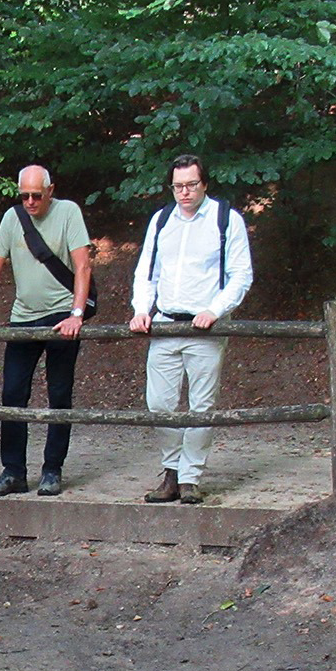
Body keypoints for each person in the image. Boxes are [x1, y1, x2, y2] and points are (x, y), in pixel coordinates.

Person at [0, 165, 89, 497]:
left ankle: (52, 470)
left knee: (59, 394)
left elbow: (82, 264)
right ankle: (13, 471)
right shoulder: (12, 219)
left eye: (36, 196)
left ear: (50, 191)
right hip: (23, 316)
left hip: (60, 315)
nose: (29, 202)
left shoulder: (68, 212)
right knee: (12, 394)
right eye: (24, 195)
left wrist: (77, 314)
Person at [129, 155, 254, 506]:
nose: (184, 192)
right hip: (166, 322)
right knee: (159, 403)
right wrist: (142, 310)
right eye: (178, 186)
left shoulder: (226, 219)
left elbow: (241, 274)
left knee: (201, 404)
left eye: (191, 185)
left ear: (204, 184)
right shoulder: (162, 220)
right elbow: (146, 272)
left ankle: (190, 478)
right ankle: (171, 469)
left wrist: (214, 310)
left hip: (206, 326)